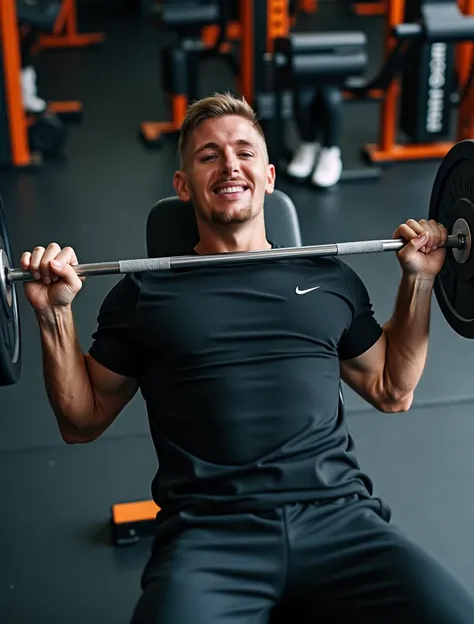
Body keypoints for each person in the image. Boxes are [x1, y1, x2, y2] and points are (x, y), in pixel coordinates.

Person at [22, 93, 474, 624]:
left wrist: (418, 282)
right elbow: (81, 420)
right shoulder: (145, 293)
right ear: (183, 184)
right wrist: (55, 315)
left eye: (244, 152)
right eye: (208, 155)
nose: (230, 165)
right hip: (209, 535)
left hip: (339, 521)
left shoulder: (330, 278)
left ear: (269, 175)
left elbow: (393, 390)